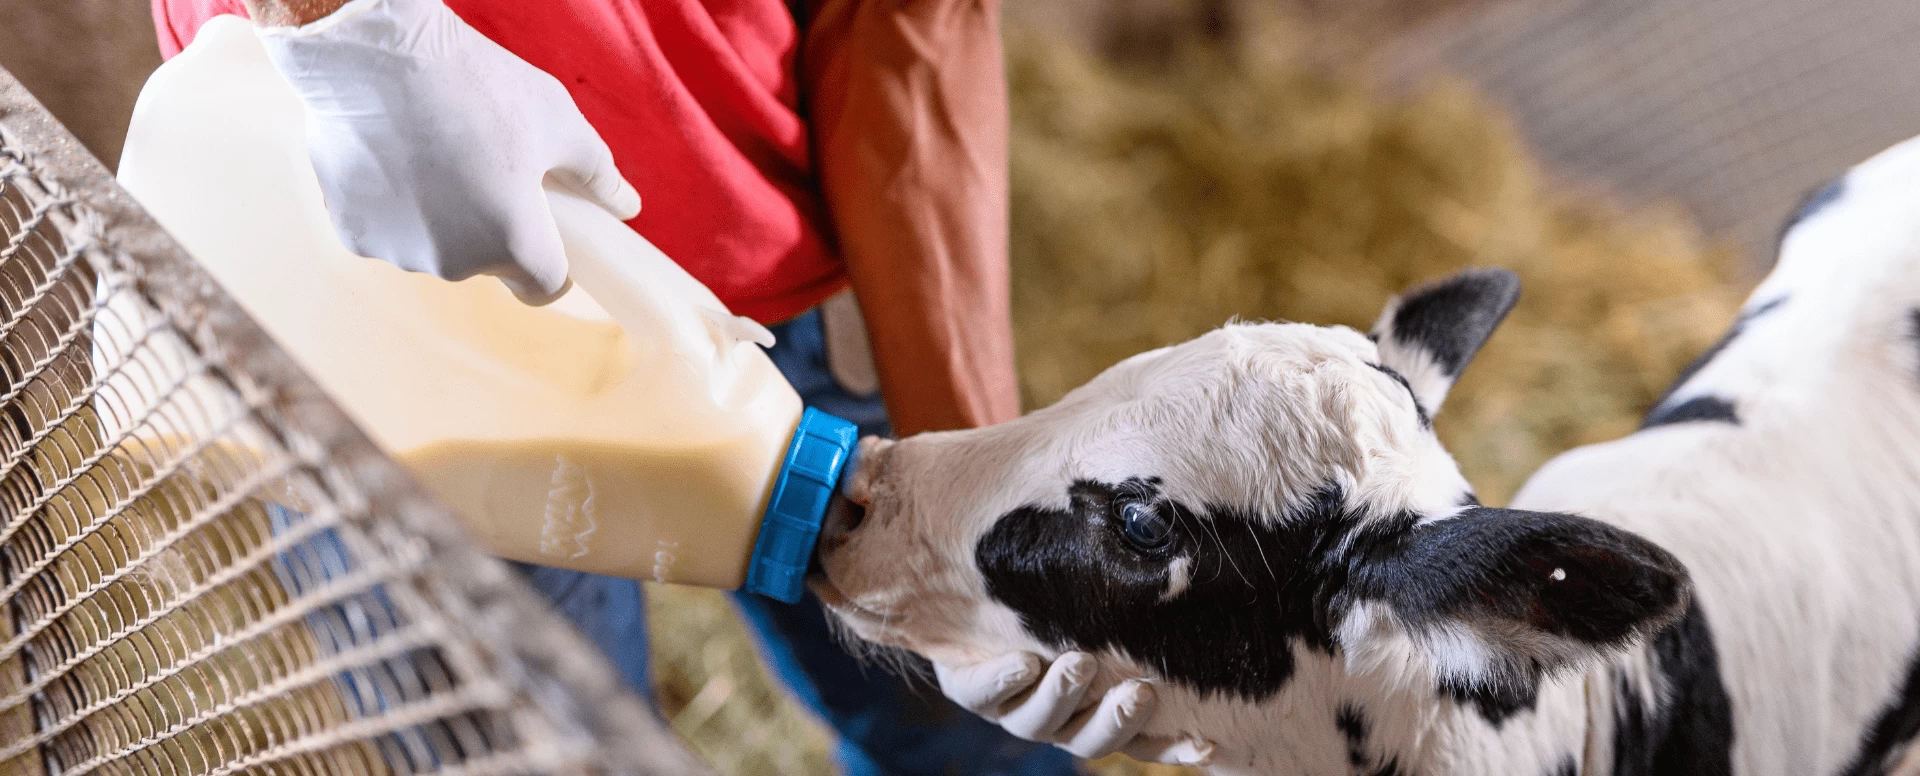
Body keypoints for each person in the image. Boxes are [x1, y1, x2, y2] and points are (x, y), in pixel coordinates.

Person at [148, 0, 1197, 772]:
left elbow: (905, 19)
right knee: (538, 749)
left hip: (770, 281)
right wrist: (354, 40)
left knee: (974, 739)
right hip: (397, 299)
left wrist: (982, 523)